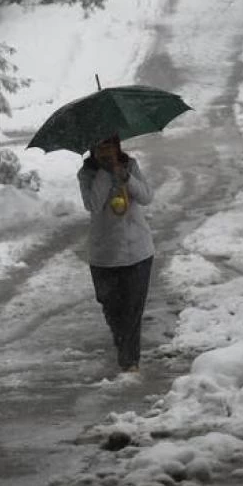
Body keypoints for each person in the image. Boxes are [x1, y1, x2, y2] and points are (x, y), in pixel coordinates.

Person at [77, 136, 155, 374]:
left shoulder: (130, 165)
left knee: (133, 308)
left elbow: (146, 196)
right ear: (93, 149)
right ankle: (123, 345)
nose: (107, 151)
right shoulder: (87, 174)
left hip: (137, 250)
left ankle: (130, 361)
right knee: (111, 306)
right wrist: (105, 172)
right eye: (101, 147)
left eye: (110, 145)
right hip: (104, 255)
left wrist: (124, 175)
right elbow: (93, 204)